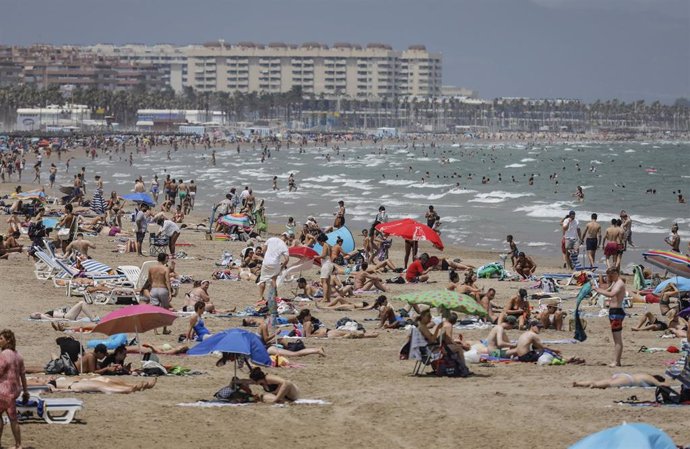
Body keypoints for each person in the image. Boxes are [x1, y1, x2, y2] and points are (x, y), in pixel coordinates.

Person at [0, 329, 29, 449]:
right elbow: (23, 375)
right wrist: (26, 391)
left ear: (8, 340)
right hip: (14, 392)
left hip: (3, 391)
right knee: (13, 419)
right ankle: (18, 445)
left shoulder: (4, 354)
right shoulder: (18, 355)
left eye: (1, 339)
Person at [594, 267, 626, 367]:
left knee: (617, 339)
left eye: (611, 275)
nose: (609, 277)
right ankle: (617, 361)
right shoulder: (615, 282)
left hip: (617, 312)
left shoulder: (619, 283)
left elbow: (611, 294)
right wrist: (596, 289)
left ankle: (616, 362)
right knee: (615, 337)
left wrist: (598, 290)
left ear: (616, 273)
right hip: (613, 311)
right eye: (608, 275)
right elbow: (607, 290)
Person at [258, 233, 290, 308]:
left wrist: (266, 256)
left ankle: (260, 297)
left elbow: (263, 250)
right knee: (273, 280)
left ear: (281, 235)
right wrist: (282, 267)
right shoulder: (284, 246)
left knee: (262, 280)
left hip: (266, 262)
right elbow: (287, 259)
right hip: (275, 263)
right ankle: (274, 296)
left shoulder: (271, 239)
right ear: (287, 239)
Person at [573, 373, 668, 389]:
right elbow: (659, 384)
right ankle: (595, 386)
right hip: (629, 380)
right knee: (609, 384)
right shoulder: (649, 378)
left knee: (602, 380)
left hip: (625, 375)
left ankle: (579, 383)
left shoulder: (644, 374)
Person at [32, 301, 98, 322]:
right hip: (67, 316)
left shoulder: (44, 314)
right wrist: (64, 319)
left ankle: (92, 316)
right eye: (35, 315)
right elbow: (52, 320)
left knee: (81, 304)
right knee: (81, 303)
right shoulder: (42, 316)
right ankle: (92, 318)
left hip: (67, 316)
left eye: (34, 313)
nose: (36, 313)